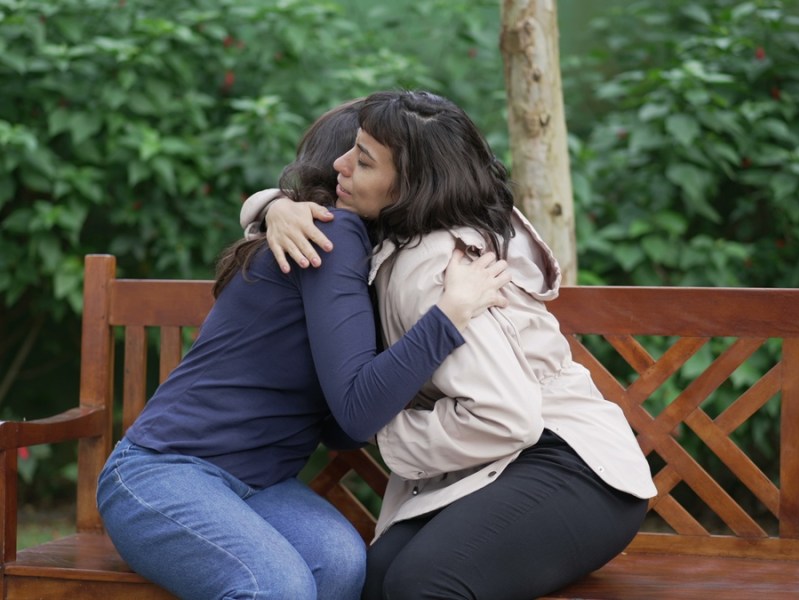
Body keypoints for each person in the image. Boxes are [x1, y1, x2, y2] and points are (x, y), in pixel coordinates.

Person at [96, 99, 512, 600]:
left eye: (364, 160)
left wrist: (272, 204)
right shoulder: (330, 236)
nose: (347, 168)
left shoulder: (360, 257)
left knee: (340, 564)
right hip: (162, 472)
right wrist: (448, 317)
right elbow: (356, 417)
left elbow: (338, 427)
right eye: (351, 155)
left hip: (259, 486)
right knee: (276, 586)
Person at [257, 90, 658, 600]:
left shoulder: (433, 265)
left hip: (576, 468)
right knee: (377, 580)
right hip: (502, 464)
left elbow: (507, 416)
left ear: (410, 185)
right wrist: (276, 207)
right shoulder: (395, 238)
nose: (341, 165)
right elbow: (299, 218)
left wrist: (384, 430)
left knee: (419, 585)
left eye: (362, 160)